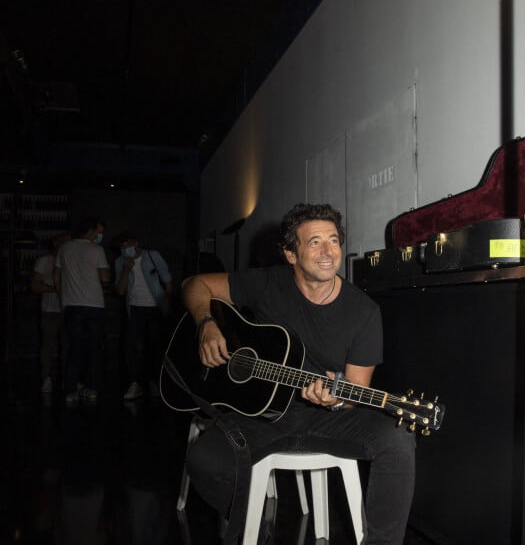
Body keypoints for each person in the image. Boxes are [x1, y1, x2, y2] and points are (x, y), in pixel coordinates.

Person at [182, 203, 416, 545]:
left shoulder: (364, 312)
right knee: (203, 459)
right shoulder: (266, 284)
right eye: (315, 242)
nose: (328, 252)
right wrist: (206, 323)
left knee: (398, 439)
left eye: (333, 240)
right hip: (260, 415)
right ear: (291, 254)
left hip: (326, 419)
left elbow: (356, 389)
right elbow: (193, 284)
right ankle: (251, 523)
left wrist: (338, 400)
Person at [54, 217, 110, 405]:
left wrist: (63, 298)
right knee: (94, 350)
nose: (99, 235)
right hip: (94, 305)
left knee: (75, 349)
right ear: (90, 231)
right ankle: (92, 389)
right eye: (97, 231)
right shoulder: (96, 249)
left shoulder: (65, 248)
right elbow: (105, 277)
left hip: (72, 305)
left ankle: (71, 390)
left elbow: (57, 275)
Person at [114, 232, 172, 401]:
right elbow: (120, 290)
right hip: (135, 309)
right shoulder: (120, 262)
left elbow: (167, 279)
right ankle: (134, 384)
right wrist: (126, 269)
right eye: (122, 247)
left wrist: (168, 304)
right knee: (132, 347)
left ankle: (155, 382)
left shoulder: (152, 256)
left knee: (155, 346)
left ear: (136, 243)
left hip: (155, 308)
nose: (126, 249)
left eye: (128, 245)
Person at [31, 232, 71, 394]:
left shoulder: (70, 261)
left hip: (68, 310)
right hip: (50, 311)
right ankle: (47, 378)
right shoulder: (45, 261)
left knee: (68, 347)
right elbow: (35, 286)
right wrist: (56, 289)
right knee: (48, 346)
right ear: (56, 243)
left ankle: (67, 379)